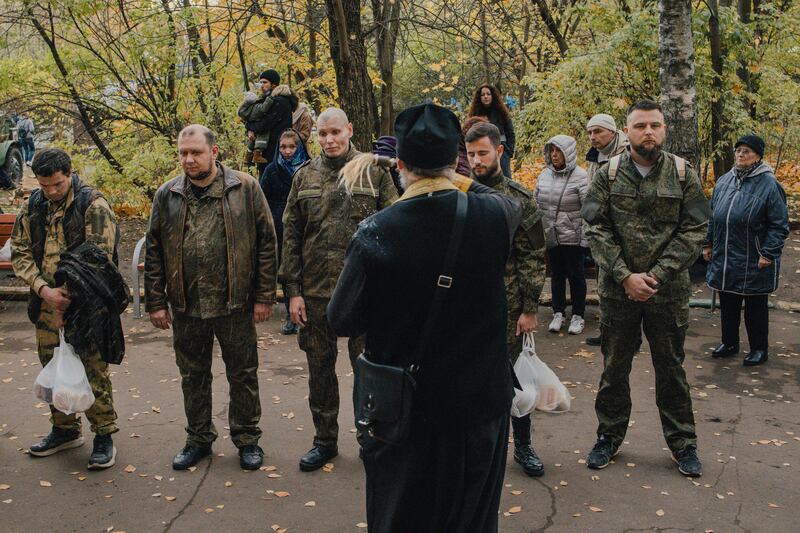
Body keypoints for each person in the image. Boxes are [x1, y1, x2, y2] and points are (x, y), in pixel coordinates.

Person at [328, 102, 522, 532]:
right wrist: (454, 176)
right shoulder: (495, 217)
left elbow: (340, 319)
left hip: (409, 412)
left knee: (402, 518)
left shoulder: (378, 231)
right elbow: (495, 196)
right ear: (457, 160)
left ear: (398, 163)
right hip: (481, 407)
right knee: (473, 520)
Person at [581, 100, 710, 477]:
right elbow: (595, 227)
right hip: (618, 292)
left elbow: (694, 228)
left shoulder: (684, 174)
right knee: (614, 368)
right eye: (640, 126)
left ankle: (683, 443)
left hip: (666, 293)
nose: (648, 132)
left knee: (671, 368)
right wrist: (625, 276)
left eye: (655, 125)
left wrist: (656, 275)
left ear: (665, 129)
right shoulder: (607, 174)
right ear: (628, 130)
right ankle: (608, 436)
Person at [144, 125, 278, 471]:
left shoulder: (244, 187)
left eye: (196, 152)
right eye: (183, 153)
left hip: (235, 303)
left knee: (243, 374)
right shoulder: (167, 194)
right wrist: (155, 301)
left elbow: (266, 242)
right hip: (187, 305)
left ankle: (248, 439)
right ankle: (198, 439)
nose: (188, 159)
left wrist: (264, 296)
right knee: (193, 375)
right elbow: (155, 250)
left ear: (214, 152)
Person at [280, 108, 398, 472]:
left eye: (335, 132)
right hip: (315, 293)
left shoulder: (374, 171)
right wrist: (293, 292)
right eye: (322, 133)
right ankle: (325, 441)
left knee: (369, 371)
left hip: (365, 293)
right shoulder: (304, 176)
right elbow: (291, 235)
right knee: (320, 371)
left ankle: (371, 441)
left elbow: (396, 229)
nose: (329, 139)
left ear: (349, 129)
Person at [11, 148, 120, 469]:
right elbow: (19, 249)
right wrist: (44, 290)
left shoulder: (93, 205)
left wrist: (66, 296)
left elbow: (98, 257)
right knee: (53, 365)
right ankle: (64, 429)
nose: (51, 192)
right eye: (44, 186)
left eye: (56, 185)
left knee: (92, 367)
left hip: (85, 305)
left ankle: (104, 434)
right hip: (45, 302)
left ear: (69, 174)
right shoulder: (34, 205)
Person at [465, 121, 547, 477]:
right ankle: (479, 447)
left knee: (515, 380)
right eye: (470, 154)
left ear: (499, 151)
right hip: (468, 307)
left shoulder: (519, 198)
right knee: (471, 378)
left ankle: (524, 447)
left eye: (482, 153)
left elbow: (533, 255)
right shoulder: (461, 194)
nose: (476, 160)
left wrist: (530, 308)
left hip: (509, 305)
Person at [704, 134, 789, 366]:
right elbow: (713, 216)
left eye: (747, 151)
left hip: (754, 255)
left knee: (755, 305)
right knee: (728, 301)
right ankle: (729, 343)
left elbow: (779, 225)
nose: (741, 155)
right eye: (738, 150)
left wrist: (768, 253)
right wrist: (708, 243)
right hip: (725, 253)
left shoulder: (770, 185)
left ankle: (759, 348)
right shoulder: (724, 181)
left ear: (758, 156)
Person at [534, 135, 590, 335]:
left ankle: (578, 315)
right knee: (556, 275)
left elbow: (588, 210)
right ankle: (558, 312)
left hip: (573, 236)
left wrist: (585, 238)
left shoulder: (581, 176)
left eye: (558, 151)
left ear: (569, 153)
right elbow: (536, 202)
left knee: (576, 276)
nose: (554, 155)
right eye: (551, 151)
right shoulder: (544, 175)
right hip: (551, 234)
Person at [584, 113, 630, 347]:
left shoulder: (628, 154)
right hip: (601, 229)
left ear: (612, 132)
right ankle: (608, 332)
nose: (593, 136)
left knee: (625, 284)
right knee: (604, 285)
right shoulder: (594, 157)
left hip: (625, 231)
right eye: (590, 132)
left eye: (598, 131)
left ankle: (629, 336)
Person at [260, 129, 310, 335]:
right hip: (280, 226)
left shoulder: (310, 167)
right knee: (288, 269)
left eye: (292, 146)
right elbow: (262, 200)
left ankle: (308, 313)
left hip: (308, 224)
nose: (287, 151)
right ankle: (291, 316)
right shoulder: (272, 170)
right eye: (283, 147)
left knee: (307, 268)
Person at [237, 70, 293, 177]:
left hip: (276, 151)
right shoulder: (267, 100)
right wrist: (250, 129)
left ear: (274, 84)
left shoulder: (280, 101)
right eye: (260, 82)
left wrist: (249, 127)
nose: (262, 85)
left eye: (265, 82)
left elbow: (264, 124)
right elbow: (256, 120)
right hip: (267, 152)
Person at [468, 84, 516, 177]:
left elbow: (510, 133)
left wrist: (509, 152)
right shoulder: (475, 114)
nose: (485, 96)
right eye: (483, 95)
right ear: (479, 97)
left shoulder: (502, 112)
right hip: (482, 152)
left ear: (492, 96)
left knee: (505, 179)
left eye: (488, 94)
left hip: (501, 151)